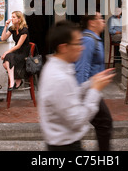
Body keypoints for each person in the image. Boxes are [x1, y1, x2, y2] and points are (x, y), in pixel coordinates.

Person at [38, 20, 115, 151]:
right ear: (63, 47)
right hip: (65, 146)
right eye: (78, 43)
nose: (82, 47)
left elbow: (70, 95)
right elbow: (77, 120)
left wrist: (92, 82)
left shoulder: (59, 67)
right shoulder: (59, 78)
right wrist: (95, 90)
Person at [74, 12, 113, 151]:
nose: (103, 21)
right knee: (104, 123)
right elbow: (82, 68)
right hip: (88, 89)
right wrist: (82, 93)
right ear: (92, 22)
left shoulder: (94, 39)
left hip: (93, 89)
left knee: (102, 123)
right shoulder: (89, 40)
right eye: (100, 18)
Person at [1, 11, 30, 91]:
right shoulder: (13, 28)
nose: (11, 19)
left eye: (14, 17)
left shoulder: (24, 30)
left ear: (19, 19)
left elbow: (18, 45)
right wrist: (6, 26)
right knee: (6, 62)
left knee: (8, 57)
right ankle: (15, 80)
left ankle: (13, 82)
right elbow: (3, 38)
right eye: (12, 17)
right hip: (16, 52)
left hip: (23, 53)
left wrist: (7, 52)